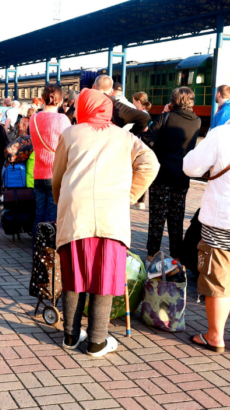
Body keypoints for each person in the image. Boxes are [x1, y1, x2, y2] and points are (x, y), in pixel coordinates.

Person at [52, 88, 159, 357]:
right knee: (105, 275)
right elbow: (151, 164)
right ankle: (98, 341)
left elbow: (58, 176)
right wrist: (130, 194)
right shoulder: (125, 137)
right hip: (112, 213)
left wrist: (61, 202)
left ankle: (70, 336)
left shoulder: (70, 133)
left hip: (76, 213)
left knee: (74, 274)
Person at [183, 122, 230, 352]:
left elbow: (191, 168)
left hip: (223, 219)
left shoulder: (222, 134)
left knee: (218, 279)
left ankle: (215, 336)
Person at [140, 87, 201, 262]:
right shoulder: (196, 121)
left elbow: (147, 140)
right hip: (182, 177)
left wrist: (164, 113)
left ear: (173, 101)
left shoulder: (165, 117)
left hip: (162, 176)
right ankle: (177, 259)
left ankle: (151, 256)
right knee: (177, 219)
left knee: (157, 219)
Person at [30, 85, 71, 238]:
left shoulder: (33, 118)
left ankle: (37, 250)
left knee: (39, 215)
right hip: (56, 173)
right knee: (52, 217)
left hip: (38, 173)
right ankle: (48, 255)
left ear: (43, 99)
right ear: (60, 101)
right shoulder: (62, 119)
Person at [131, 91, 153, 210]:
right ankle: (139, 200)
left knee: (139, 170)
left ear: (138, 102)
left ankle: (140, 200)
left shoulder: (142, 115)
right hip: (142, 144)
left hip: (140, 145)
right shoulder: (145, 113)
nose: (133, 104)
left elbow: (143, 129)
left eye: (134, 101)